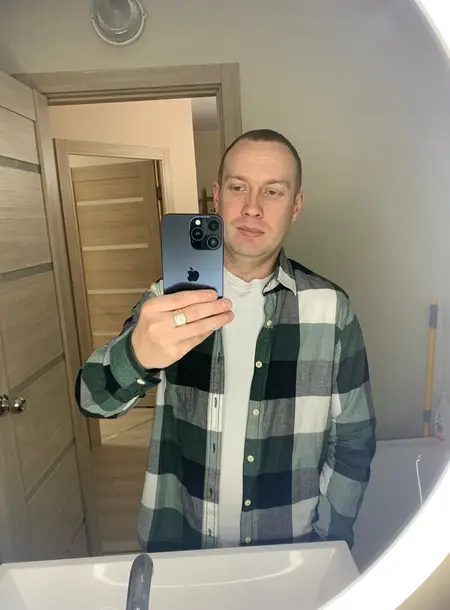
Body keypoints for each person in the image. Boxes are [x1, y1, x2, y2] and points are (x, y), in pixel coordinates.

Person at [76, 128, 376, 553]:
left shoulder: (331, 311)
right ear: (216, 197)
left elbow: (353, 442)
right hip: (180, 542)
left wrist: (327, 543)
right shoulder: (167, 300)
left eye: (273, 191)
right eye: (238, 187)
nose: (252, 207)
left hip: (292, 551)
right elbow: (92, 400)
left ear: (296, 206)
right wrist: (138, 356)